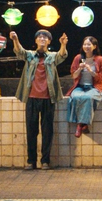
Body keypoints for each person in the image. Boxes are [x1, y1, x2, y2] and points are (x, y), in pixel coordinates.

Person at [10, 29, 69, 170]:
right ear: (36, 40)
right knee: (31, 131)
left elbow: (62, 56)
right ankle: (31, 161)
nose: (42, 39)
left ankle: (45, 161)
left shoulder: (52, 57)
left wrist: (63, 44)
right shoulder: (30, 55)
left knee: (47, 131)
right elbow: (19, 52)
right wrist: (15, 39)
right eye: (40, 37)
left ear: (49, 41)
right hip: (31, 98)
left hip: (48, 98)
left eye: (45, 37)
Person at [66, 36, 102, 138]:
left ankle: (80, 125)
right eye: (85, 44)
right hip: (79, 86)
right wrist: (79, 69)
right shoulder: (78, 58)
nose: (86, 46)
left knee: (88, 97)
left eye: (89, 44)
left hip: (94, 87)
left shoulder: (99, 59)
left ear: (94, 46)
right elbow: (73, 75)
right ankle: (84, 125)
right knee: (75, 97)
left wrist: (91, 71)